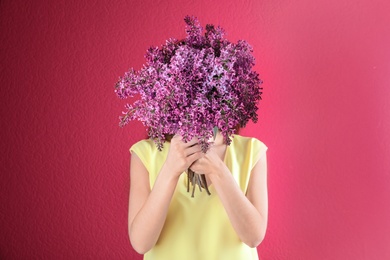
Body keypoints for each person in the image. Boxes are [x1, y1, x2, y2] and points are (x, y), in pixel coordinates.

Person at [128, 129, 268, 260]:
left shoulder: (250, 150)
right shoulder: (146, 153)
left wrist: (217, 170)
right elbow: (141, 243)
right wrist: (170, 169)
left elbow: (253, 237)